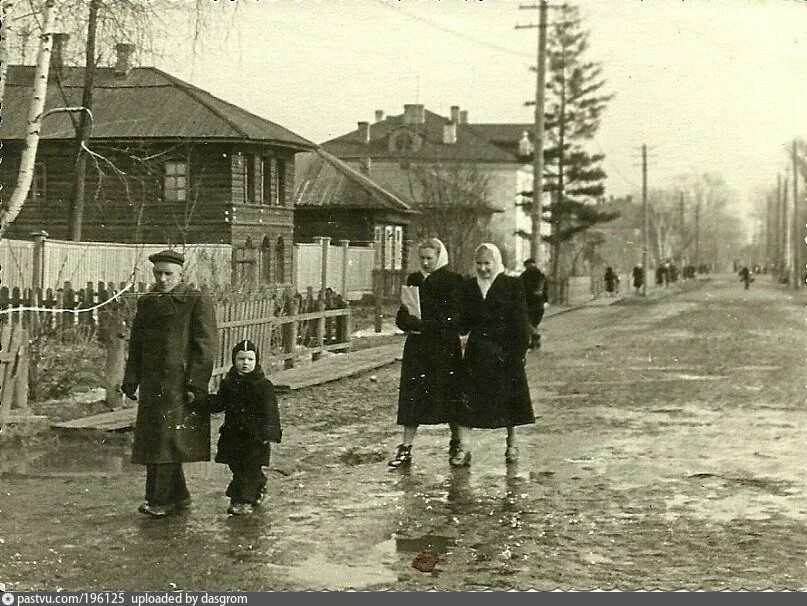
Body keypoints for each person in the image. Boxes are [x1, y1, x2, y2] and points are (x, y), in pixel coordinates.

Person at [121, 249, 217, 518]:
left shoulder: (195, 300)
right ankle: (178, 496)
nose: (162, 279)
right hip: (153, 384)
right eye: (157, 274)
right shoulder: (147, 302)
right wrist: (131, 379)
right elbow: (137, 344)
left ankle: (160, 500)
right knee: (158, 439)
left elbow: (205, 346)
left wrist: (196, 384)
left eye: (168, 274)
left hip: (179, 383)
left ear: (181, 274)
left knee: (167, 439)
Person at [454, 243, 535, 467]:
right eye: (478, 263)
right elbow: (464, 323)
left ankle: (512, 443)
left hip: (505, 352)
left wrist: (520, 351)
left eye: (487, 263)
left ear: (496, 263)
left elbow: (520, 321)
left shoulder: (512, 284)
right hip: (477, 352)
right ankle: (464, 447)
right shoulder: (470, 287)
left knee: (508, 401)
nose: (483, 268)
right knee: (467, 402)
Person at [388, 238, 465, 469]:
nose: (425, 262)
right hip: (418, 349)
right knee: (413, 398)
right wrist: (405, 321)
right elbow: (404, 311)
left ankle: (458, 442)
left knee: (449, 396)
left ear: (439, 257)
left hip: (443, 348)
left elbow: (456, 318)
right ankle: (405, 447)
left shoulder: (453, 281)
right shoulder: (414, 279)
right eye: (422, 258)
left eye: (430, 258)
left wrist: (426, 325)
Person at [195, 340, 281, 516]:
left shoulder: (264, 386)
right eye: (241, 359)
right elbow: (220, 403)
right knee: (237, 468)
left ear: (256, 361)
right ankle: (258, 487)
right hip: (233, 436)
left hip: (255, 438)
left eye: (250, 359)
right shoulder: (229, 383)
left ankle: (242, 501)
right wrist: (200, 401)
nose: (245, 363)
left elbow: (271, 412)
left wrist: (269, 432)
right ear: (234, 361)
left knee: (249, 469)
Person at [520, 258, 548, 350]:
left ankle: (535, 335)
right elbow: (546, 289)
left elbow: (520, 290)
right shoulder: (541, 275)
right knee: (535, 323)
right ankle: (534, 342)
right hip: (539, 304)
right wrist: (545, 300)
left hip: (528, 304)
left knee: (527, 321)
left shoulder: (523, 276)